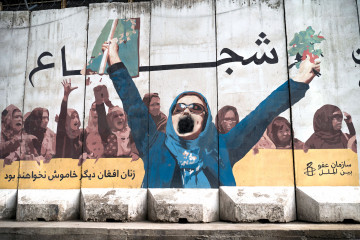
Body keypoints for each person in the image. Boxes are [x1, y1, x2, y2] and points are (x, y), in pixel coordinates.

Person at [103, 38, 320, 188]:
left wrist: (297, 83)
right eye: (179, 108)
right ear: (172, 117)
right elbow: (133, 104)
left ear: (205, 120)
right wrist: (113, 57)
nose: (186, 111)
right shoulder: (153, 143)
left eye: (195, 108)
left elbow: (261, 115)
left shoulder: (223, 147)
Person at [93, 85, 139, 160]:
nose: (119, 118)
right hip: (111, 164)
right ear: (110, 121)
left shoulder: (129, 131)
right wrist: (99, 102)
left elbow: (134, 144)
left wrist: (135, 153)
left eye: (121, 115)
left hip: (128, 163)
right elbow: (102, 119)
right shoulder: (107, 132)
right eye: (115, 116)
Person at [55, 79, 83, 159]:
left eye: (77, 116)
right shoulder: (62, 133)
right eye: (72, 117)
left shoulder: (79, 139)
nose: (76, 119)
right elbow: (63, 115)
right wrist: (66, 95)